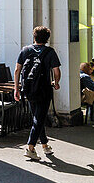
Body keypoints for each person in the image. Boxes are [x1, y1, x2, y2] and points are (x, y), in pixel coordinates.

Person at [13, 26, 61, 161]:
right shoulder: (50, 52)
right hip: (44, 89)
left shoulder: (25, 50)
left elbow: (17, 70)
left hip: (28, 89)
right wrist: (56, 82)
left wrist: (16, 88)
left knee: (37, 116)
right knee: (39, 118)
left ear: (34, 37)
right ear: (47, 39)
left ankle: (45, 145)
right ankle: (30, 147)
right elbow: (56, 70)